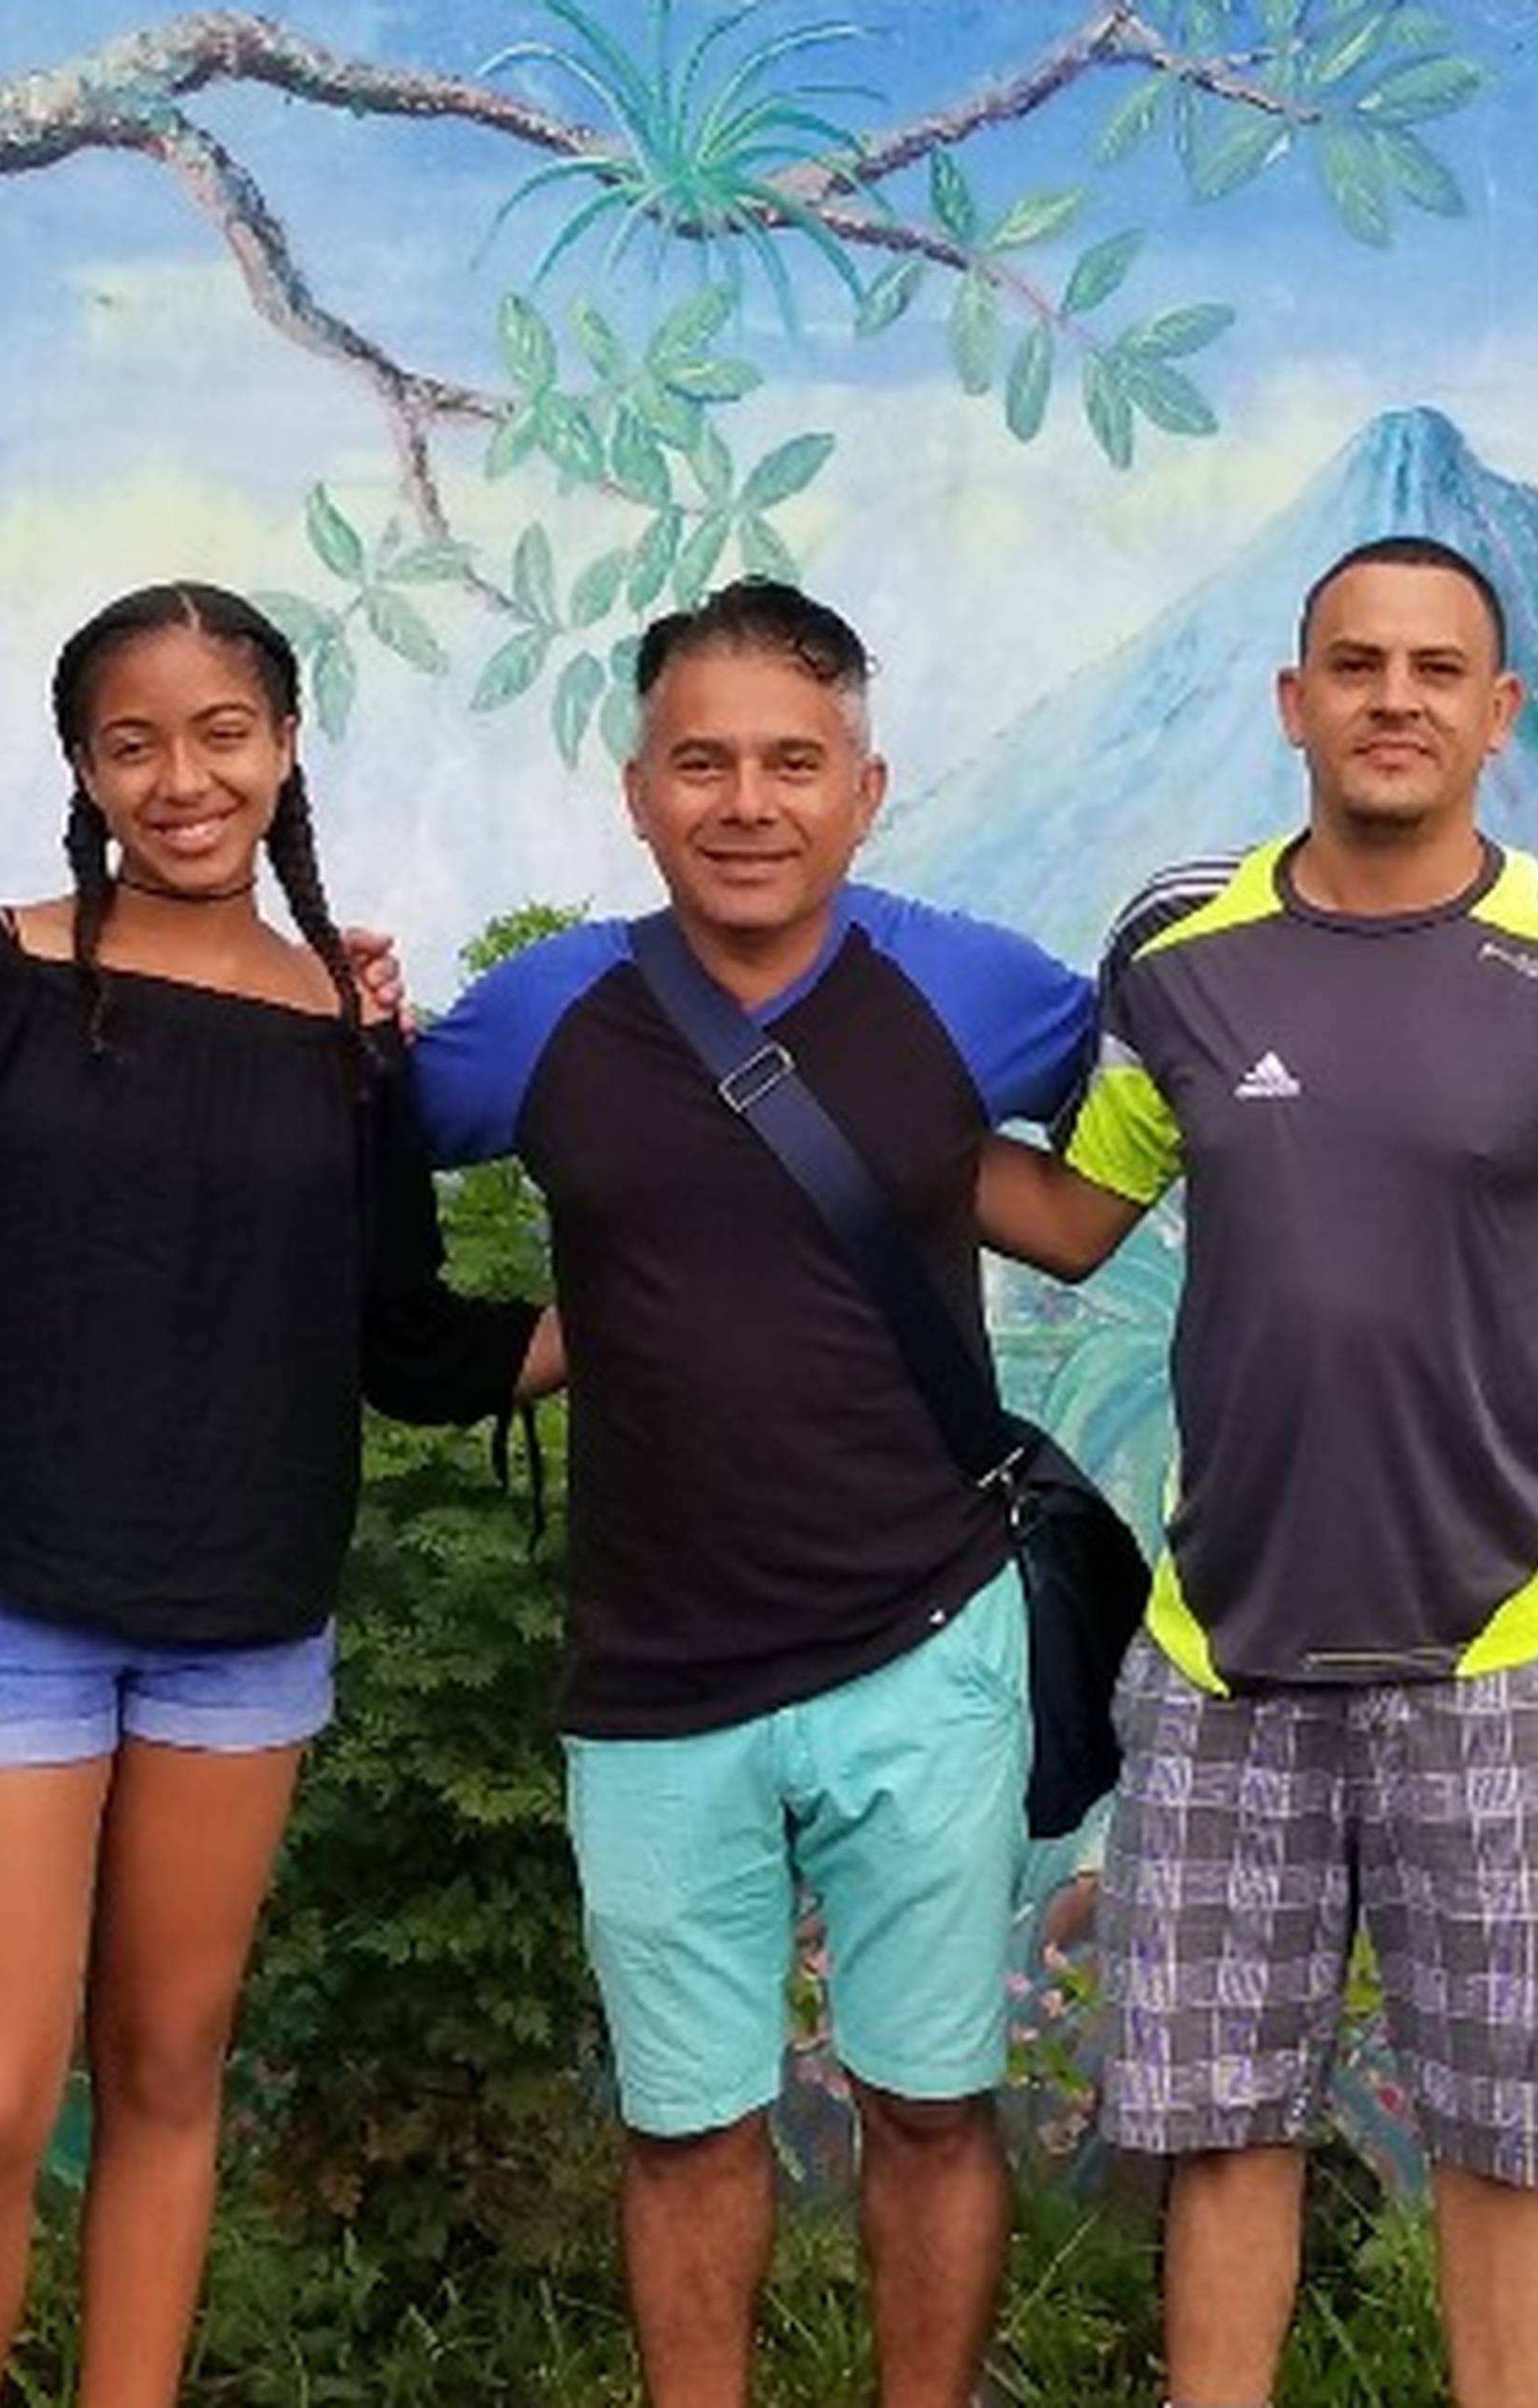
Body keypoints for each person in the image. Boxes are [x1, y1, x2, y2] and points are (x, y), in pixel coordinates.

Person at [978, 534, 1538, 2408]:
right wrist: (836, 1089)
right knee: (1222, 2131)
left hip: (1498, 1650)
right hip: (1224, 1658)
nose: (1394, 697)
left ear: (1499, 713)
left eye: (1437, 669)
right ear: (1294, 701)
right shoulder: (1183, 948)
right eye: (1354, 663)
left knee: (1507, 2138)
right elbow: (1074, 1209)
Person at [0, 580, 556, 2407]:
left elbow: (408, 1342)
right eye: (134, 741)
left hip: (246, 1615)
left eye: (222, 732)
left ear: (287, 743)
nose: (184, 778)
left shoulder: (348, 1032)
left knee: (169, 2064)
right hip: (6, 1591)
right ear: (82, 766)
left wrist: (663, 1301)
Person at [409, 578, 1093, 2408]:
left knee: (934, 2097)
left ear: (867, 790)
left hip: (924, 1641)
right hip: (653, 1674)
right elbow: (341, 1136)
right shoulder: (542, 1015)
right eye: (700, 761)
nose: (746, 801)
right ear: (636, 789)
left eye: (795, 762)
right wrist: (518, 1343)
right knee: (685, 2121)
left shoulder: (976, 988)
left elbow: (1160, 1118)